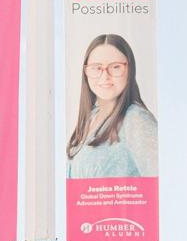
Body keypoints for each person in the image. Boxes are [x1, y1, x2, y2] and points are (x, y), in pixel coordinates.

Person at [66, 33, 157, 179]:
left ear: (130, 70)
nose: (105, 76)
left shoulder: (136, 119)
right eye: (96, 68)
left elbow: (162, 184)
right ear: (86, 72)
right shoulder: (91, 117)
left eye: (115, 67)